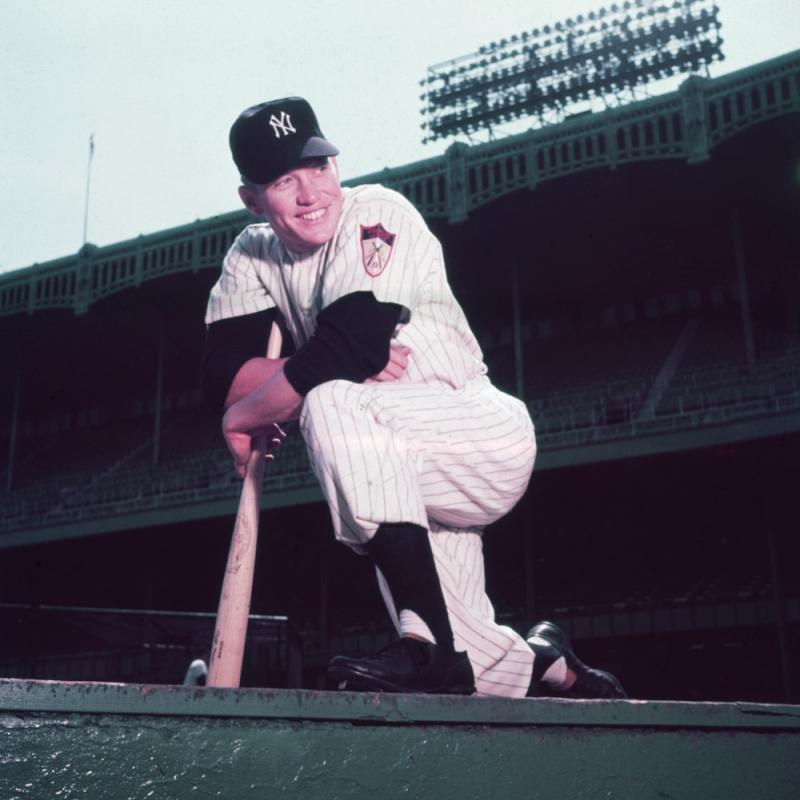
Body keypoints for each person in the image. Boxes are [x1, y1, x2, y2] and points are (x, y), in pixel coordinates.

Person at [202, 96, 626, 699]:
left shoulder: (376, 209)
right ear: (252, 198)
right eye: (283, 180)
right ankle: (547, 658)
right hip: (394, 468)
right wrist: (314, 363)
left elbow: (350, 345)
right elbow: (219, 376)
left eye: (318, 167)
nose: (310, 192)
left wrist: (253, 408)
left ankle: (425, 650)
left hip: (475, 430)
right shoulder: (252, 252)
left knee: (329, 402)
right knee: (483, 674)